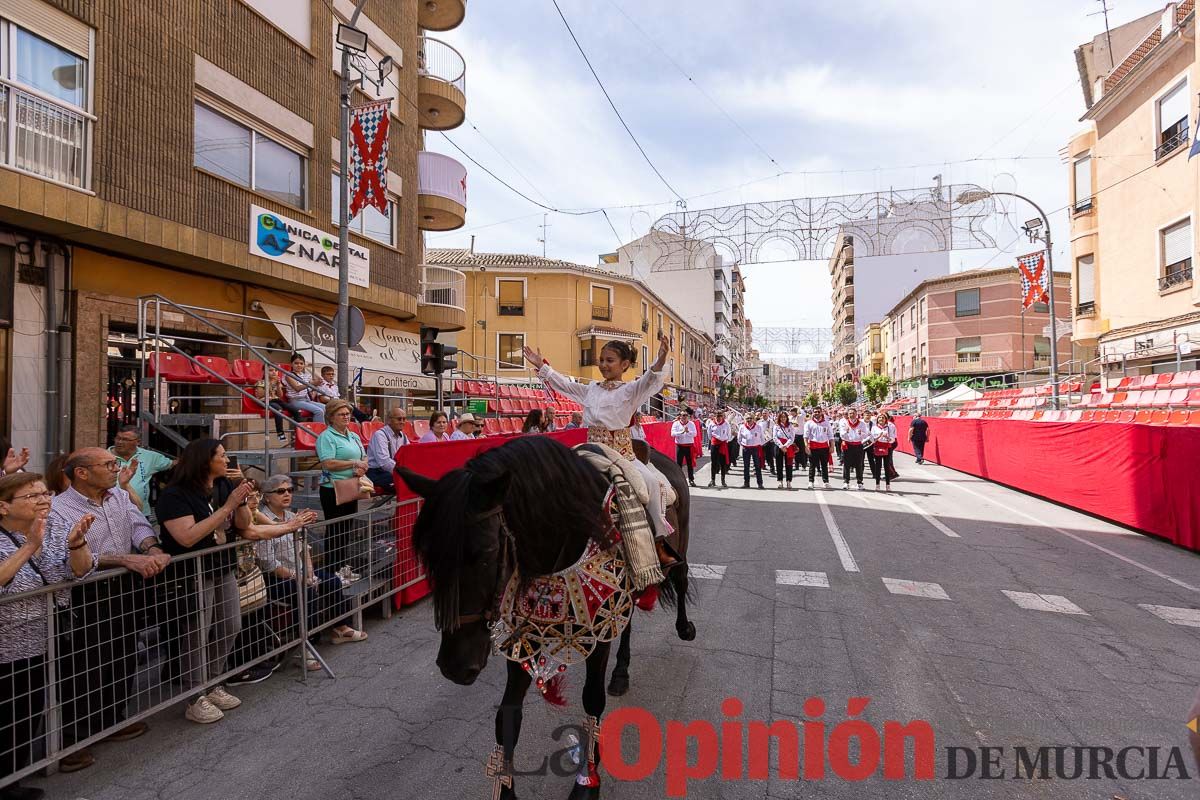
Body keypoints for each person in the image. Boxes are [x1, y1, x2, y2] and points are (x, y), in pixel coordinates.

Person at [49, 449, 172, 769]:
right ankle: (72, 739)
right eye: (108, 464)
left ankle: (111, 719)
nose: (116, 468)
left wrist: (152, 548)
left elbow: (139, 525)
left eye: (114, 463)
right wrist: (126, 559)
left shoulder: (117, 495)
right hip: (87, 592)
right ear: (82, 473)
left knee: (122, 652)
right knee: (85, 662)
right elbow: (71, 555)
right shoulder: (59, 509)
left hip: (124, 588)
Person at [523, 334, 679, 568]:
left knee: (652, 485)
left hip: (623, 454)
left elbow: (650, 378)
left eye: (610, 360)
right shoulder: (591, 389)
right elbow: (564, 385)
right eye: (602, 360)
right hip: (591, 450)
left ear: (624, 365)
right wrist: (542, 367)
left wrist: (662, 356)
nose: (603, 365)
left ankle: (658, 542)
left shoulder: (631, 390)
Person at [0, 473, 96, 798]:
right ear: (3, 506)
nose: (44, 500)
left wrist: (77, 543)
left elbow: (80, 570)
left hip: (45, 638)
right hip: (7, 644)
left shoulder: (54, 527)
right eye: (32, 496)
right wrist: (29, 546)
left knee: (26, 712)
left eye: (46, 493)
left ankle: (13, 781)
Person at [156, 440, 253, 724]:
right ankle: (194, 695)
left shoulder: (223, 486)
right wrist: (227, 508)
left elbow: (243, 524)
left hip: (222, 566)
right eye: (221, 456)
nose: (227, 460)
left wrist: (242, 500)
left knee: (230, 624)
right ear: (204, 460)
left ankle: (212, 682)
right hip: (192, 571)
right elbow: (186, 537)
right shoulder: (175, 495)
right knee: (197, 632)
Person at [253, 475, 365, 670]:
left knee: (332, 581)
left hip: (298, 571)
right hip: (274, 578)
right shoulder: (263, 521)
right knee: (306, 591)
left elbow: (304, 549)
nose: (287, 494)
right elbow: (269, 564)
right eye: (281, 491)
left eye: (289, 490)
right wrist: (300, 577)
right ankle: (307, 643)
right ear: (267, 497)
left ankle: (340, 627)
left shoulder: (290, 516)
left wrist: (310, 572)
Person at [315, 399, 368, 578]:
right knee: (335, 531)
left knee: (346, 529)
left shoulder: (353, 435)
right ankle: (332, 571)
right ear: (331, 417)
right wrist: (354, 463)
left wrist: (363, 465)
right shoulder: (326, 437)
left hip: (351, 486)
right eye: (341, 414)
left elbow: (364, 455)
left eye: (347, 413)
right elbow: (328, 463)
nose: (346, 416)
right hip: (333, 489)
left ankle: (342, 567)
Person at [108, 425, 175, 521]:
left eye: (126, 439)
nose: (119, 442)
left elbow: (173, 464)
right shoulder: (103, 456)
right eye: (118, 438)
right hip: (110, 513)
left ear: (138, 442)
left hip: (140, 514)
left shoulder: (150, 457)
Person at [366, 407, 408, 491]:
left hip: (394, 471)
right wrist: (403, 472)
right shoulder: (380, 435)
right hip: (376, 472)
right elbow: (384, 462)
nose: (402, 422)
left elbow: (408, 456)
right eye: (399, 419)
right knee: (408, 481)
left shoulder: (403, 436)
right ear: (389, 420)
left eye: (404, 419)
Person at [280, 354, 325, 424]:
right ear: (291, 364)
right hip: (295, 401)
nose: (299, 365)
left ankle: (326, 429)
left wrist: (318, 383)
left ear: (304, 365)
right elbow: (297, 388)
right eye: (296, 363)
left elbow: (312, 384)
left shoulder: (306, 375)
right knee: (319, 411)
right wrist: (312, 384)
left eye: (301, 363)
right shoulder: (288, 375)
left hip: (306, 399)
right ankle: (318, 432)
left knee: (326, 408)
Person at [838, 407, 870, 491]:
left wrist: (861, 433)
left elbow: (866, 435)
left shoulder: (861, 424)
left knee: (859, 464)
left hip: (858, 445)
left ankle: (859, 482)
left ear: (856, 414)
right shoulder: (844, 423)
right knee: (846, 464)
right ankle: (846, 481)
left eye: (853, 413)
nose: (851, 415)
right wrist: (847, 431)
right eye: (850, 413)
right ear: (848, 415)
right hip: (848, 445)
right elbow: (842, 435)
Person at [866, 412, 898, 491]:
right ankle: (877, 484)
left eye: (883, 418)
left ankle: (888, 485)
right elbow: (872, 438)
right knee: (878, 466)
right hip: (877, 446)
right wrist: (879, 435)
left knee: (887, 466)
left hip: (887, 447)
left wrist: (888, 438)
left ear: (886, 419)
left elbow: (893, 438)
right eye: (879, 418)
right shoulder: (874, 427)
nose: (881, 419)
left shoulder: (890, 427)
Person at [803, 408, 834, 489]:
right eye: (815, 412)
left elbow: (830, 435)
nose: (817, 413)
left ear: (821, 413)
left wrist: (832, 446)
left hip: (824, 447)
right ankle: (811, 481)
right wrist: (806, 446)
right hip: (813, 446)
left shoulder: (826, 423)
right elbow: (805, 436)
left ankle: (826, 481)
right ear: (813, 413)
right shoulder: (809, 423)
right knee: (812, 465)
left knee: (824, 465)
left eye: (818, 412)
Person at [770, 410, 801, 490]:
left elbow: (792, 437)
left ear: (787, 418)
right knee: (779, 464)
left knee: (789, 464)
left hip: (788, 445)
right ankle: (780, 481)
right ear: (779, 418)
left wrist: (786, 445)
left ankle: (789, 481)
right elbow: (774, 437)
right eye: (781, 417)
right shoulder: (776, 426)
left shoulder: (790, 426)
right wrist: (781, 446)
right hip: (778, 445)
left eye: (784, 417)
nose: (783, 418)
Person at [737, 412, 766, 490]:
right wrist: (743, 444)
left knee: (757, 466)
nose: (749, 420)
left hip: (755, 448)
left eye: (751, 418)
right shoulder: (742, 427)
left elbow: (762, 438)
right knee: (746, 466)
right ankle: (746, 483)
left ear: (753, 419)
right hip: (746, 448)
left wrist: (759, 444)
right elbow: (739, 439)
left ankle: (760, 483)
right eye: (747, 418)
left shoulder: (758, 427)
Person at [705, 409, 732, 488]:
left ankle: (723, 480)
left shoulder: (726, 423)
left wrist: (725, 439)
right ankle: (713, 480)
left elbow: (729, 434)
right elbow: (709, 434)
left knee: (723, 463)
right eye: (717, 416)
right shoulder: (711, 423)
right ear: (715, 416)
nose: (719, 418)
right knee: (714, 463)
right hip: (715, 444)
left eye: (720, 416)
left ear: (722, 416)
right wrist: (715, 440)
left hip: (723, 444)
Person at [670, 409, 697, 487]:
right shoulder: (676, 424)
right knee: (679, 464)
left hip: (689, 446)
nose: (685, 417)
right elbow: (672, 434)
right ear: (680, 416)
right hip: (680, 446)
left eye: (686, 415)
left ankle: (691, 479)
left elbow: (695, 434)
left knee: (690, 464)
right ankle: (679, 480)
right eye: (683, 415)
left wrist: (688, 432)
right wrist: (681, 432)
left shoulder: (691, 424)